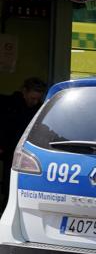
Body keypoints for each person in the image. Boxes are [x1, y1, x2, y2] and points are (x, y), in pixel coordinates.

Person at [0, 77, 47, 209]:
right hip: (8, 149)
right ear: (24, 92)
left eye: (38, 99)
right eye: (32, 98)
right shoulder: (8, 104)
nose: (35, 101)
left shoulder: (38, 109)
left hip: (26, 153)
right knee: (8, 185)